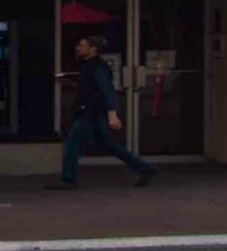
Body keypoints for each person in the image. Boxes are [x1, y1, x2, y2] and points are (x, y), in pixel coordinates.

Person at [51, 34, 156, 189]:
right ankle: (145, 168)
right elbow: (91, 89)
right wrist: (72, 84)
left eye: (82, 45)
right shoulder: (88, 65)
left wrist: (112, 114)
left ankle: (68, 180)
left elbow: (107, 90)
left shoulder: (97, 67)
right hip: (93, 112)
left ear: (93, 49)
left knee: (72, 144)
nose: (78, 48)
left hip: (91, 112)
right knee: (108, 144)